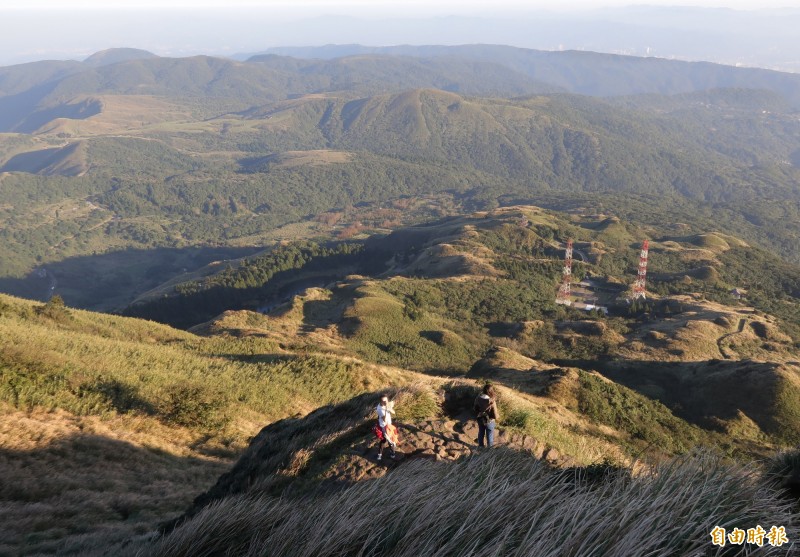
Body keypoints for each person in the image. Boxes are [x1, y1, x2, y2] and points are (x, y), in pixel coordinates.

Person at [473, 383, 499, 448]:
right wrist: (496, 418)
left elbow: (475, 408)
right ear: (491, 391)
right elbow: (495, 413)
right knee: (489, 435)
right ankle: (489, 449)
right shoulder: (492, 401)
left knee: (481, 432)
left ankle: (480, 446)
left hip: (480, 418)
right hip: (489, 420)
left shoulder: (478, 398)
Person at [376, 394, 397, 460]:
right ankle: (381, 454)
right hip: (384, 426)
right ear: (380, 401)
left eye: (386, 401)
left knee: (387, 439)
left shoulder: (387, 405)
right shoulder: (379, 409)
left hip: (389, 425)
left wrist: (389, 408)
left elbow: (394, 412)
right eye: (383, 401)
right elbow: (384, 419)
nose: (385, 402)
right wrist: (385, 410)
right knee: (387, 440)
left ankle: (390, 453)